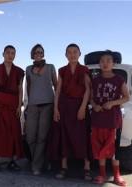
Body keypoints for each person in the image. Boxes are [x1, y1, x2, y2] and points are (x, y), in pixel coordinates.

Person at [48, 43, 92, 180]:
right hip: (64, 107)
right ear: (66, 55)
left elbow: (88, 90)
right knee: (64, 136)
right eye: (69, 52)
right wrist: (55, 108)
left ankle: (87, 168)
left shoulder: (84, 70)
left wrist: (83, 108)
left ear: (80, 54)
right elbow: (58, 90)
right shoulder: (61, 70)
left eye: (75, 52)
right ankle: (64, 167)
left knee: (83, 137)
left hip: (79, 107)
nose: (72, 54)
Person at [90, 50, 130, 186]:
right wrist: (94, 105)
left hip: (114, 121)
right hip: (97, 119)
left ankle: (117, 175)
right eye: (102, 61)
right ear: (99, 64)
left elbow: (126, 97)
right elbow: (90, 97)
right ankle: (102, 174)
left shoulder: (119, 80)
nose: (105, 63)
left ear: (113, 63)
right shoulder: (95, 80)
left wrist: (112, 103)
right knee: (99, 147)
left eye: (108, 60)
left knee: (115, 150)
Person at [0, 45, 24, 172]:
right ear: (3, 54)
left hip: (13, 104)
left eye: (13, 53)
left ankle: (12, 160)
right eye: (8, 53)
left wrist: (19, 106)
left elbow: (20, 89)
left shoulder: (19, 71)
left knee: (13, 132)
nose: (10, 55)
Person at [25, 44, 57, 175]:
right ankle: (41, 161)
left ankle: (36, 166)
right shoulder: (28, 69)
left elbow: (56, 85)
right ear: (32, 54)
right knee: (30, 136)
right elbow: (28, 87)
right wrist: (27, 103)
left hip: (48, 105)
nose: (38, 53)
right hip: (32, 105)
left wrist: (57, 105)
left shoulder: (50, 67)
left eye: (41, 52)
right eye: (36, 52)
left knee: (42, 137)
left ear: (43, 54)